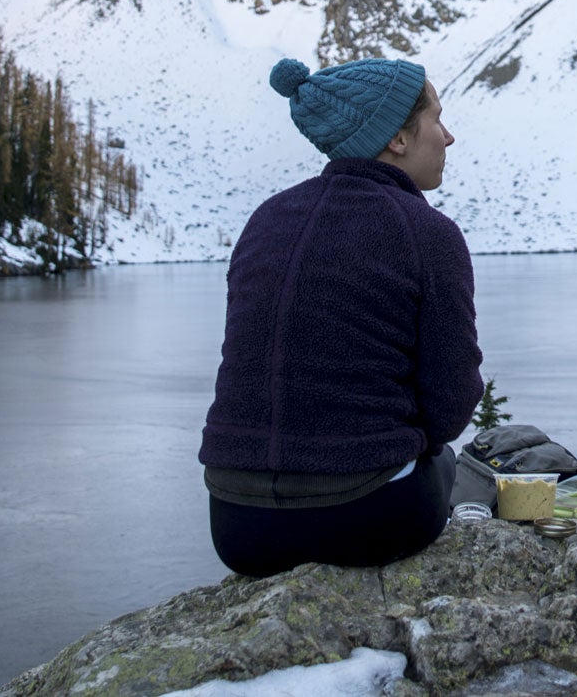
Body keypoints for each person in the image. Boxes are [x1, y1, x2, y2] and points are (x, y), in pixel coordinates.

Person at [197, 55, 483, 578]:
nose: (448, 136)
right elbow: (450, 405)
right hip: (366, 517)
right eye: (436, 119)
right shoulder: (426, 232)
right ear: (397, 137)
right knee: (449, 466)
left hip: (236, 525)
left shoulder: (266, 218)